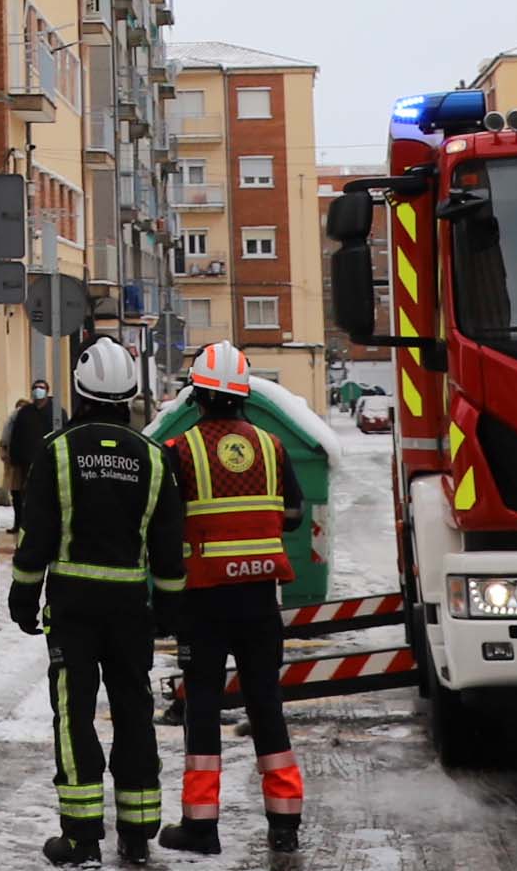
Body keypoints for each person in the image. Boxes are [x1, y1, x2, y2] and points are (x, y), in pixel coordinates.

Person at [10, 339, 184, 866]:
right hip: (131, 609)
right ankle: (137, 830)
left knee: (74, 715)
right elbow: (168, 546)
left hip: (73, 609)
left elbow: (36, 536)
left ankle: (82, 837)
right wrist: (169, 609)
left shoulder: (57, 451)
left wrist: (23, 596)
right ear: (129, 395)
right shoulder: (153, 458)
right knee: (134, 710)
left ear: (80, 392)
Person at [158, 343, 306, 860]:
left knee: (202, 707)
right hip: (260, 600)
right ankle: (284, 823)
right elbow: (294, 516)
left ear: (197, 395)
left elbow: (165, 526)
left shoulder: (179, 451)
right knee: (266, 704)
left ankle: (201, 827)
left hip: (203, 603)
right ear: (244, 394)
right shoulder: (271, 446)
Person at [4, 377, 61, 499]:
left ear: (47, 391)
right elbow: (16, 435)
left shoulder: (57, 412)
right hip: (27, 461)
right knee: (28, 493)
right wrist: (15, 458)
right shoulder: (24, 412)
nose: (37, 390)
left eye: (41, 388)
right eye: (35, 387)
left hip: (50, 460)